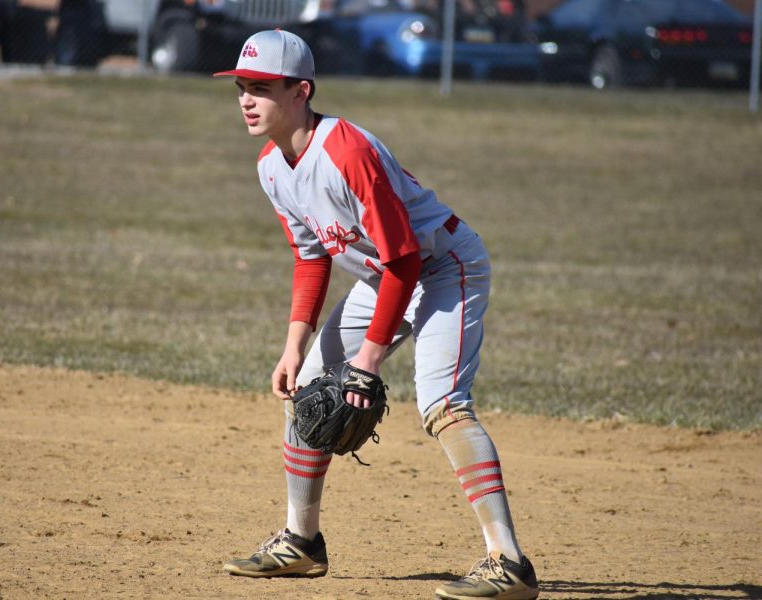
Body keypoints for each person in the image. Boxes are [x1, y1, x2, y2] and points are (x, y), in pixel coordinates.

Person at [213, 29, 539, 600]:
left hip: (443, 267)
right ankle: (302, 542)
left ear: (300, 91)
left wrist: (367, 362)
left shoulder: (347, 152)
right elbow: (311, 257)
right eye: (242, 86)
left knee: (442, 405)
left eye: (261, 87)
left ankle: (508, 562)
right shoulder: (271, 166)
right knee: (310, 385)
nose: (246, 98)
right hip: (386, 277)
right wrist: (294, 346)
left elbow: (406, 259)